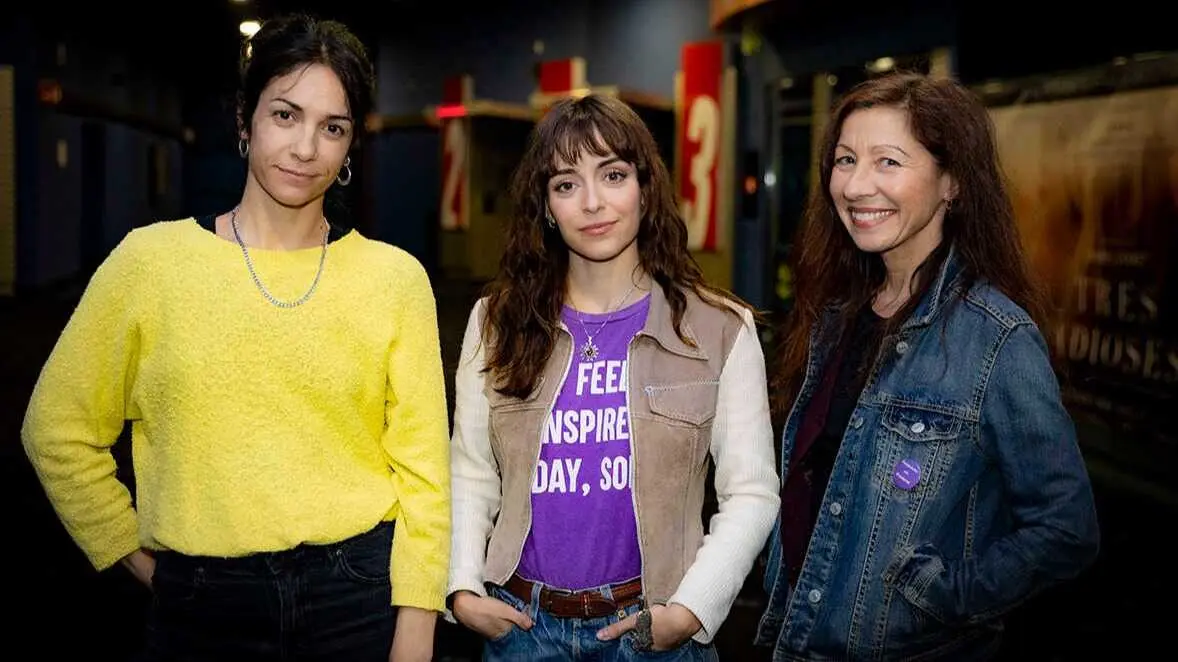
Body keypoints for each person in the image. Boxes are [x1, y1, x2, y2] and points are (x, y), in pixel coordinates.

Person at [21, 14, 449, 662]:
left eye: (332, 127)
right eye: (285, 115)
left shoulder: (395, 279)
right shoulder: (151, 264)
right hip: (201, 604)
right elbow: (56, 429)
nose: (306, 147)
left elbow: (425, 476)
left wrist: (417, 626)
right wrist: (137, 556)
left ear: (351, 146)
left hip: (356, 596)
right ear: (245, 121)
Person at [754, 71, 1101, 661]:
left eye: (888, 162)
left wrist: (939, 597)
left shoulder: (995, 338)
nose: (856, 186)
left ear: (952, 182)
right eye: (845, 160)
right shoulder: (836, 317)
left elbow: (1066, 528)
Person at [446, 93, 780, 660]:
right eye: (566, 184)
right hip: (522, 629)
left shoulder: (719, 328)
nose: (593, 202)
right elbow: (472, 471)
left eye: (613, 175)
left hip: (653, 630)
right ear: (546, 206)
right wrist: (462, 588)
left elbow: (750, 491)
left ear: (645, 188)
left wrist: (691, 611)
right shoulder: (496, 322)